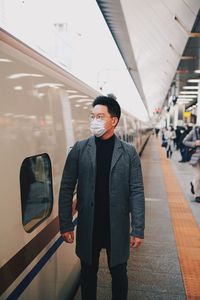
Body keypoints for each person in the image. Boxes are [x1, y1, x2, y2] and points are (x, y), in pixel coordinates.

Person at [58, 95, 145, 300]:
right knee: (88, 274)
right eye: (92, 116)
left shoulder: (129, 153)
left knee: (119, 274)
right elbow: (66, 187)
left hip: (117, 225)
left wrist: (138, 228)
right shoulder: (80, 149)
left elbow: (137, 190)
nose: (94, 121)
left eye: (99, 116)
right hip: (90, 225)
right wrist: (66, 224)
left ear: (113, 120)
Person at [183, 125, 200, 203]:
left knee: (198, 178)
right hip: (196, 159)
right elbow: (184, 141)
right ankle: (197, 195)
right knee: (198, 176)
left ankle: (193, 184)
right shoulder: (194, 132)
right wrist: (195, 143)